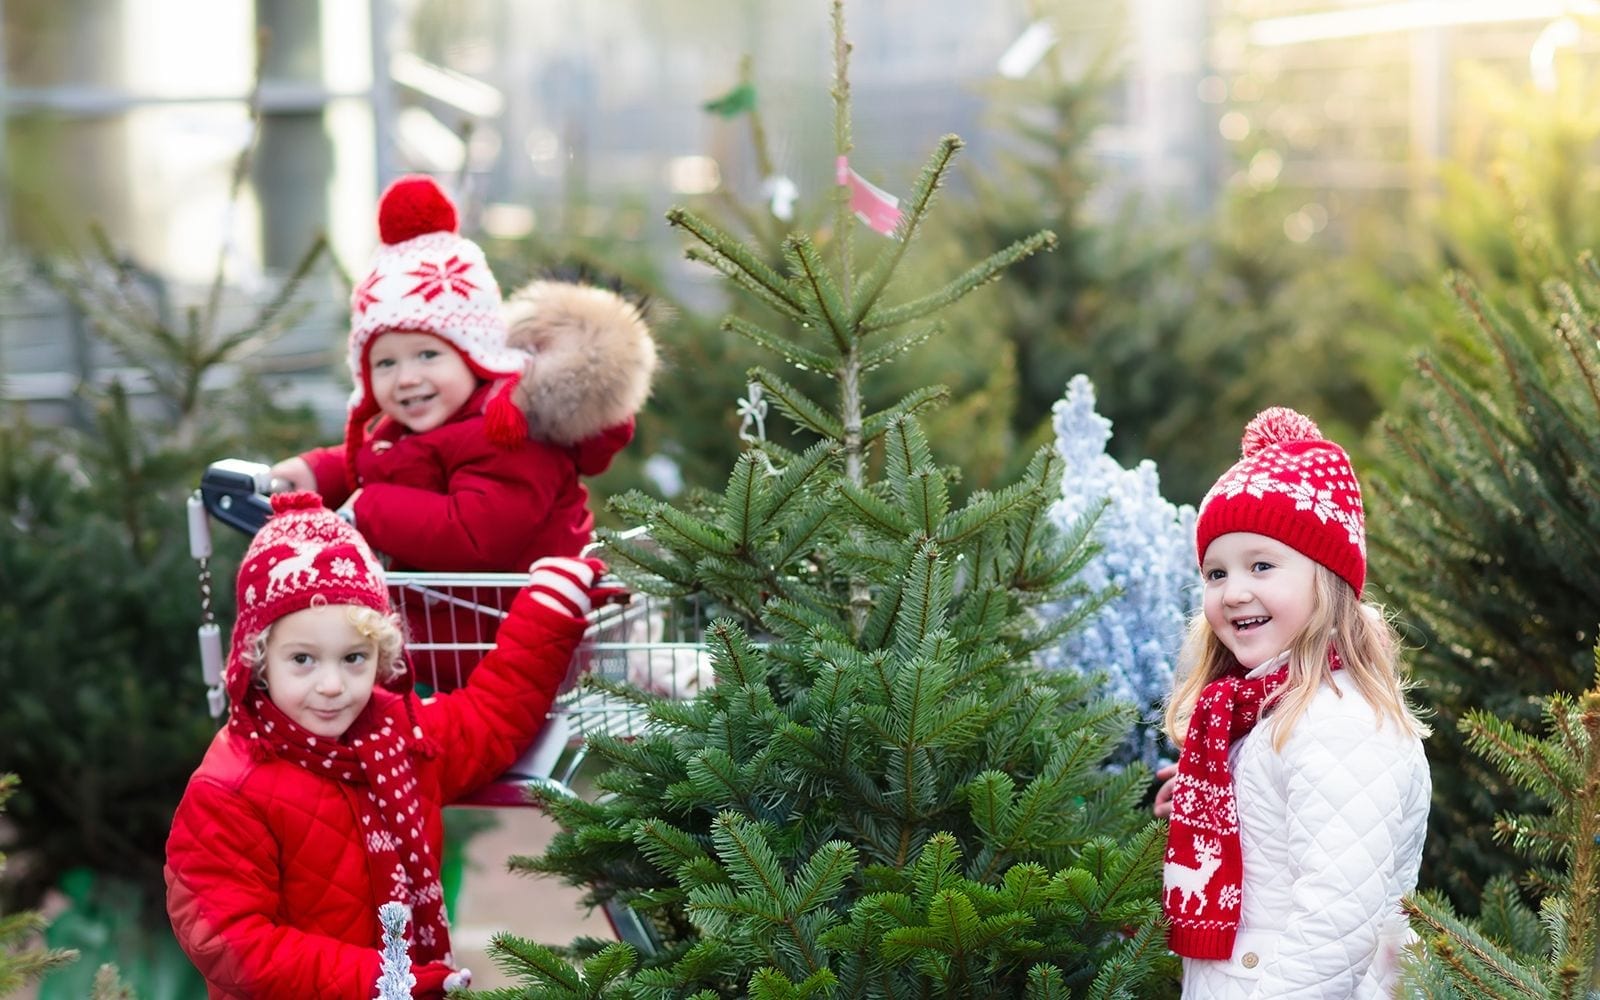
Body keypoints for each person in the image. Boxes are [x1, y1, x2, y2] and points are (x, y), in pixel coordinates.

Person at [165, 492, 610, 998]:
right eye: (303, 660)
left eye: (354, 658)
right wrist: (386, 981)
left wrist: (548, 612)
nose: (332, 685)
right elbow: (230, 941)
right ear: (258, 661)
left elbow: (490, 719)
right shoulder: (231, 788)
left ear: (381, 654)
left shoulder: (400, 737)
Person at [1159, 407, 1430, 997]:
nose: (1235, 592)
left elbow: (1338, 922)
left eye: (1262, 565)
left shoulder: (1341, 722)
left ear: (1327, 579)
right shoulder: (1260, 714)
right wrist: (1211, 793)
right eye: (1215, 573)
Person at [270, 173, 655, 572]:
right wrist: (316, 474)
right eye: (385, 363)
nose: (405, 378)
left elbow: (474, 535)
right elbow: (388, 464)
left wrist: (370, 509)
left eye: (427, 355)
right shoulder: (428, 423)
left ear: (475, 356)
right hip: (453, 623)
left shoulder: (509, 435)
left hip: (509, 622)